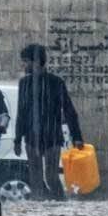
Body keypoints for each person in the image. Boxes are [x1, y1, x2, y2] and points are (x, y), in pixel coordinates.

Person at [13, 43, 84, 201]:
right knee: (36, 178)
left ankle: (60, 203)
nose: (23, 65)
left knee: (51, 176)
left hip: (52, 137)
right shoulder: (24, 83)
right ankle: (41, 210)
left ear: (36, 62)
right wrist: (17, 139)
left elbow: (69, 110)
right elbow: (21, 113)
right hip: (32, 137)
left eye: (25, 61)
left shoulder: (56, 83)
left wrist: (77, 136)